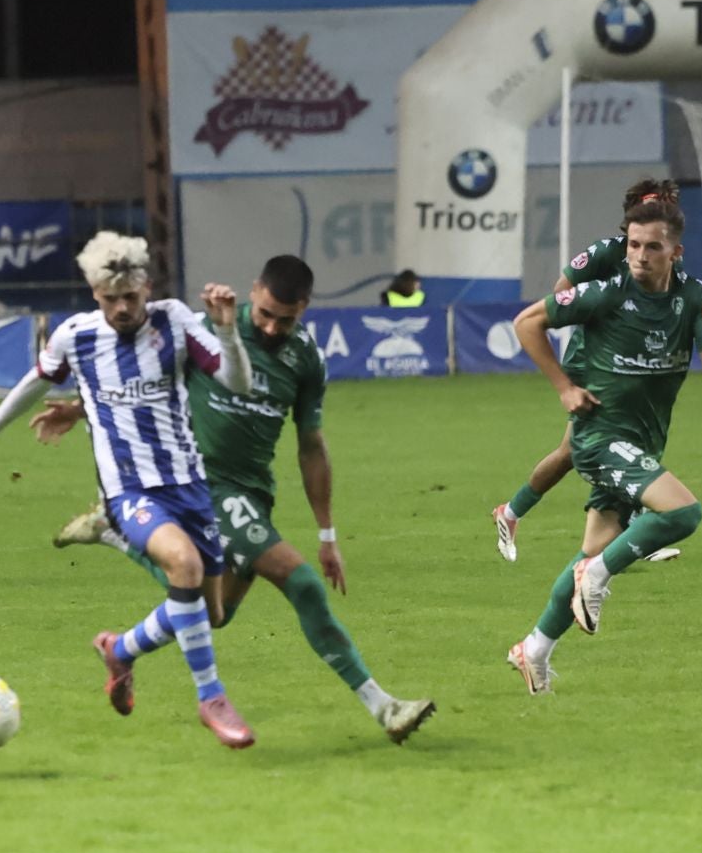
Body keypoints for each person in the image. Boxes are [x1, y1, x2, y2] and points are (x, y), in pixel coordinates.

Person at [34, 255, 436, 744]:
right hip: (202, 484)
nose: (270, 327)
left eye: (284, 319)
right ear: (254, 291)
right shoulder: (206, 329)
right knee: (302, 582)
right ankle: (384, 706)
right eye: (264, 313)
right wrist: (80, 410)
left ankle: (120, 638)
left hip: (253, 493)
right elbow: (141, 380)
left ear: (304, 309)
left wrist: (328, 534)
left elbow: (311, 445)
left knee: (212, 614)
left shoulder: (307, 359)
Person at [0, 232, 259, 749]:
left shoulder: (176, 322)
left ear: (147, 287)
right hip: (129, 492)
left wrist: (229, 333)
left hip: (189, 484)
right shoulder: (76, 336)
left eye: (131, 297)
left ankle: (120, 649)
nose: (122, 309)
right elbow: (37, 379)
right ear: (93, 293)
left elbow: (239, 384)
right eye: (110, 299)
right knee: (184, 568)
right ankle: (212, 699)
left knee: (209, 613)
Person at [502, 193, 702, 694]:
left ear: (675, 251)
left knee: (592, 550)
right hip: (600, 438)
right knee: (683, 514)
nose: (639, 256)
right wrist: (565, 386)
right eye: (633, 245)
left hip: (642, 444)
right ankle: (597, 575)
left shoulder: (693, 298)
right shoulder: (606, 293)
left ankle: (534, 647)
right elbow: (527, 323)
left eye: (652, 247)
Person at [492, 178, 686, 565]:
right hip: (595, 362)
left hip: (632, 368)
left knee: (575, 451)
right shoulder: (609, 251)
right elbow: (562, 288)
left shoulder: (664, 253)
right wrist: (599, 312)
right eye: (653, 204)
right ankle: (615, 539)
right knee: (600, 445)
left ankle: (513, 513)